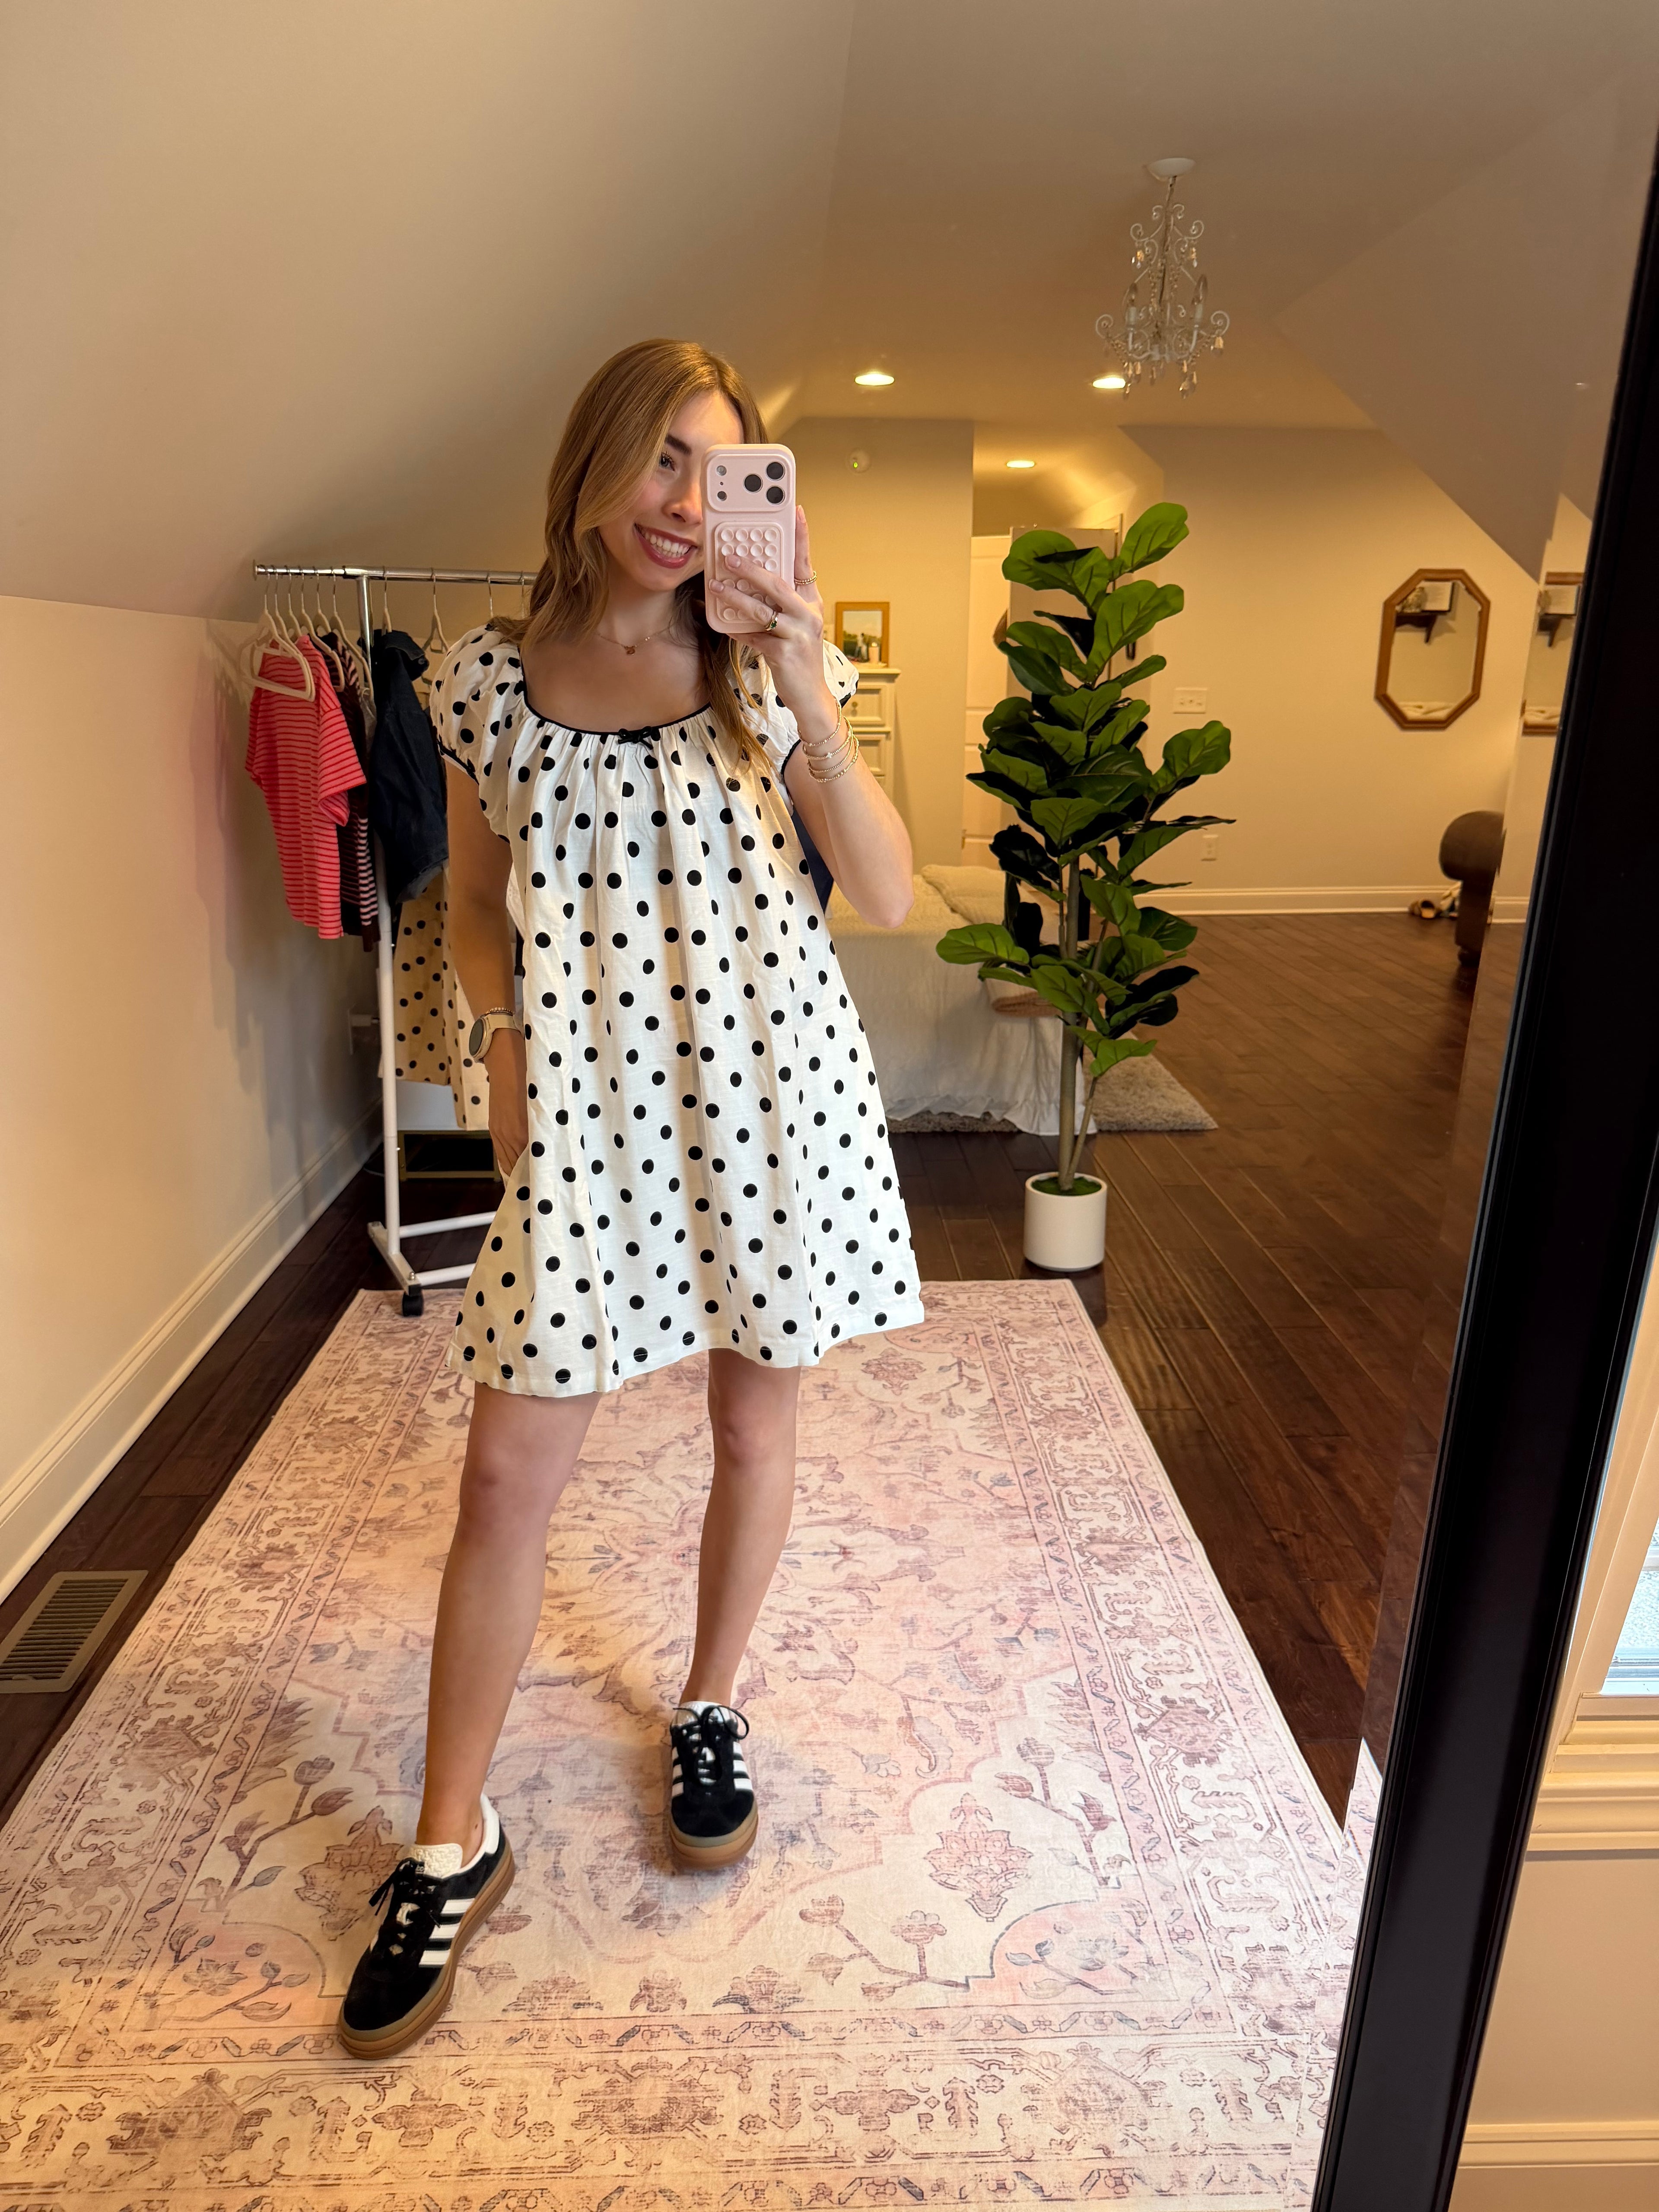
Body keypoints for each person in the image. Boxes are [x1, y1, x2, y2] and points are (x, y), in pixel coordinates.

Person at [338, 339, 924, 2058]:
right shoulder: (482, 683)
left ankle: (713, 1703)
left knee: (756, 1429)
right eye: (664, 461)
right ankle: (453, 1835)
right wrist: (496, 1042)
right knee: (507, 1470)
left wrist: (809, 671)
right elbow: (469, 901)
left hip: (770, 1092)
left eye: (724, 471)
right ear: (594, 466)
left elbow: (885, 890)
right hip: (584, 1108)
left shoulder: (757, 672)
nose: (688, 505)